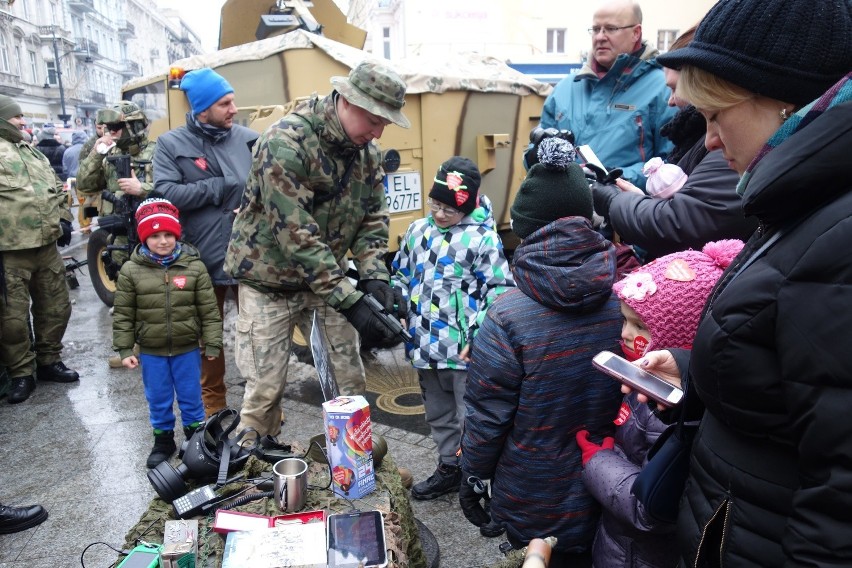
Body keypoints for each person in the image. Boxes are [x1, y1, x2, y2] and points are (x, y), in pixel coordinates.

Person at [628, 0, 852, 565]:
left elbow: (841, 491)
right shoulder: (798, 201)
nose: (707, 141)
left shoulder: (834, 233)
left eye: (714, 115)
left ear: (779, 100)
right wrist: (694, 369)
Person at [459, 137, 624, 567]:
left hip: (530, 491)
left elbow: (488, 413)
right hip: (608, 484)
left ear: (525, 228)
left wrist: (473, 474)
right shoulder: (626, 303)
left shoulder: (508, 316)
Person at [224, 60, 409, 438]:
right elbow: (297, 236)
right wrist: (351, 300)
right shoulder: (284, 143)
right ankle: (257, 472)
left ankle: (353, 468)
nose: (377, 132)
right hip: (268, 283)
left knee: (349, 382)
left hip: (326, 284)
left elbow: (373, 218)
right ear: (347, 101)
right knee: (264, 390)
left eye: (384, 124)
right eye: (374, 120)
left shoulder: (367, 155)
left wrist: (374, 278)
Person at [576, 239, 743, 568]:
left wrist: (597, 460)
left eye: (639, 326)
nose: (625, 334)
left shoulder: (673, 416)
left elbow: (652, 510)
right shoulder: (644, 385)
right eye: (624, 320)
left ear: (683, 338)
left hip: (638, 554)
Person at [392, 156, 514, 502]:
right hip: (424, 346)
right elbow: (400, 274)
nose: (441, 214)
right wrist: (399, 302)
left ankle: (478, 475)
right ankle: (449, 466)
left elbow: (500, 290)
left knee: (471, 417)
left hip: (463, 351)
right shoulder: (418, 231)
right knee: (439, 414)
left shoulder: (483, 240)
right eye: (436, 204)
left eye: (450, 208)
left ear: (470, 204)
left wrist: (479, 335)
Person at [590, 25, 757, 262]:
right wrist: (640, 201)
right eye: (595, 29)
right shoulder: (697, 138)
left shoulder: (727, 145)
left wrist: (616, 201)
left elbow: (682, 223)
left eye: (674, 88)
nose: (670, 101)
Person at [154, 68, 258, 417]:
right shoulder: (171, 144)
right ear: (202, 108)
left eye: (232, 101)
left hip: (250, 256)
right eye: (225, 103)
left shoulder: (249, 139)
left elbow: (271, 187)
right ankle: (213, 404)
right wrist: (220, 186)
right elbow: (167, 193)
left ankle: (259, 402)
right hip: (201, 256)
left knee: (257, 333)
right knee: (206, 337)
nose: (233, 108)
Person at [113, 198, 222, 468]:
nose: (163, 241)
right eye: (155, 235)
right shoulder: (131, 271)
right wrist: (125, 349)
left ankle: (195, 438)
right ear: (144, 238)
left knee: (191, 396)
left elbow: (209, 310)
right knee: (158, 397)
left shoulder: (194, 267)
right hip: (152, 351)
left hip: (186, 348)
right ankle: (163, 440)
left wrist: (212, 343)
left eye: (168, 235)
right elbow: (124, 313)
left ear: (177, 235)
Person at [533, 0, 675, 188]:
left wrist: (610, 178)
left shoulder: (664, 88)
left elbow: (672, 166)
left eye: (610, 28)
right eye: (596, 29)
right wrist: (535, 153)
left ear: (636, 33)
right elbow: (534, 162)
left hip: (625, 212)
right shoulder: (565, 89)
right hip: (565, 210)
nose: (600, 37)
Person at [0, 94, 78, 404]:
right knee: (12, 319)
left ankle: (49, 361)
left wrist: (63, 220)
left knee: (57, 307)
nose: (22, 121)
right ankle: (21, 373)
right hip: (10, 252)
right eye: (15, 117)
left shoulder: (32, 153)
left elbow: (56, 189)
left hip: (46, 248)